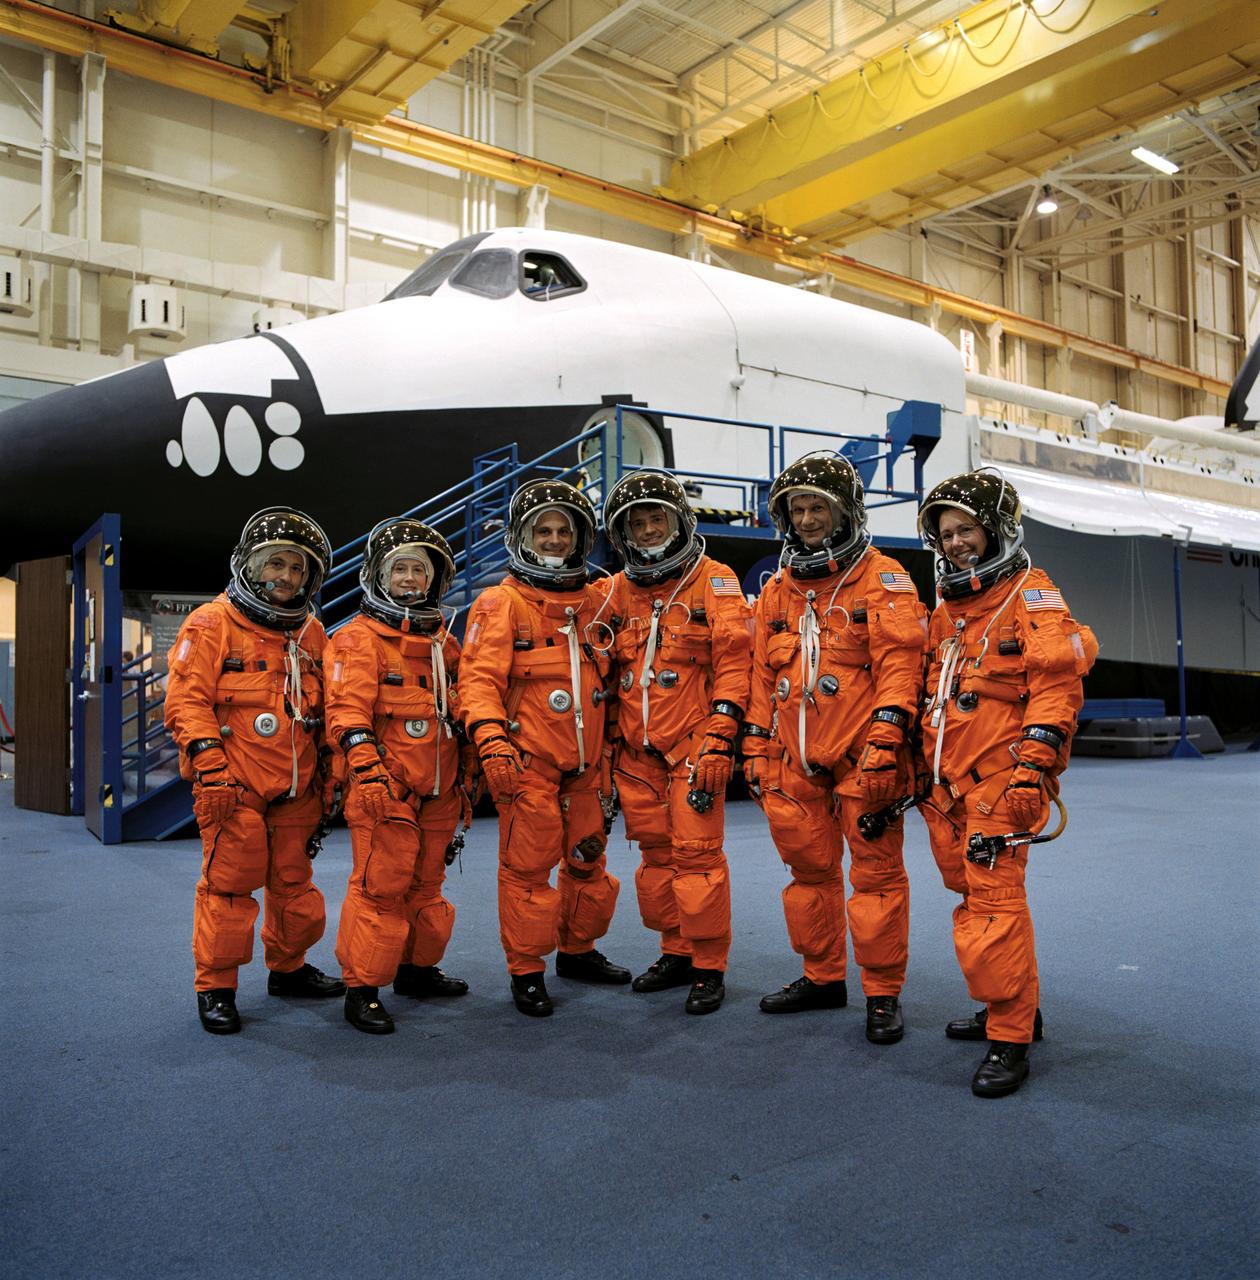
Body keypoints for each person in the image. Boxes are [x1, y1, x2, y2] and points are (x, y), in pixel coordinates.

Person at [916, 469, 1096, 1097]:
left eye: (967, 530)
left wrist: (1034, 769)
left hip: (1000, 783)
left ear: (998, 531)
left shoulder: (1033, 596)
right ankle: (1012, 1006)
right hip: (948, 787)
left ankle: (1010, 1039)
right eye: (946, 533)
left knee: (995, 909)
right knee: (972, 898)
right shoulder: (949, 608)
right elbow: (931, 695)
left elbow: (1056, 689)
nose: (956, 542)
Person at [742, 453, 926, 1043]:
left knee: (875, 880)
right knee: (808, 874)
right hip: (794, 761)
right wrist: (754, 747)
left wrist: (885, 742)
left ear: (844, 510)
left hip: (861, 760)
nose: (808, 519)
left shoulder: (883, 578)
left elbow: (901, 669)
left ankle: (881, 992)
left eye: (818, 506)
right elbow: (757, 677)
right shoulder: (777, 591)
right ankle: (822, 977)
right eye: (797, 509)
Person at [165, 507, 345, 1035]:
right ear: (250, 563)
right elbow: (185, 702)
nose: (285, 577)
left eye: (297, 567)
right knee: (229, 886)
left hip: (296, 787)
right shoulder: (211, 624)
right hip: (234, 785)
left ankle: (287, 970)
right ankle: (215, 987)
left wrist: (330, 772)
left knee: (293, 884)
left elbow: (327, 708)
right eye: (275, 563)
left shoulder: (311, 634)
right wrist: (212, 769)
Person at [459, 480, 628, 1016]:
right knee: (528, 871)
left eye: (564, 530)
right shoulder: (500, 603)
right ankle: (527, 969)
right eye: (544, 531)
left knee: (587, 860)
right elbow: (479, 681)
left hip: (587, 765)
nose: (555, 540)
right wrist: (490, 741)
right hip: (528, 763)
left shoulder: (598, 600)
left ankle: (578, 951)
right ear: (522, 537)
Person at [600, 471, 753, 1015]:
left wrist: (720, 737)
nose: (646, 530)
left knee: (698, 858)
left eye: (655, 518)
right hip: (637, 753)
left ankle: (709, 966)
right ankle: (676, 951)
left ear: (680, 521)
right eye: (636, 523)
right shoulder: (616, 591)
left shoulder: (716, 582)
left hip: (693, 746)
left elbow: (737, 665)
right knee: (657, 859)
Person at [326, 518, 474, 1035]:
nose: (411, 579)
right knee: (378, 887)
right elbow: (345, 714)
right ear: (378, 576)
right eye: (400, 569)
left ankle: (415, 970)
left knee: (426, 886)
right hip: (386, 790)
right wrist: (367, 773)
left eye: (420, 569)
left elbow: (460, 711)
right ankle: (361, 989)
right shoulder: (357, 641)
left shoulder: (444, 645)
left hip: (439, 789)